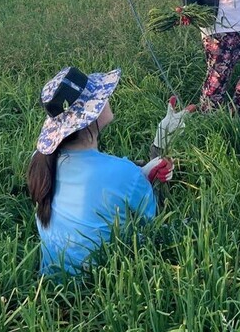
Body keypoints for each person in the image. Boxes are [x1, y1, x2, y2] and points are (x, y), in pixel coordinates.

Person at [26, 66, 178, 277]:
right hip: (101, 284)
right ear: (91, 115)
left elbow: (105, 183)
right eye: (101, 96)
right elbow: (153, 226)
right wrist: (160, 146)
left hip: (55, 279)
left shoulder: (39, 160)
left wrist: (141, 173)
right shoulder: (122, 172)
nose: (108, 97)